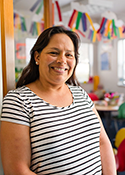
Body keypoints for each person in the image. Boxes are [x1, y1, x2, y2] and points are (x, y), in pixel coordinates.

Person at [0, 26, 116, 175]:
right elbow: (16, 170)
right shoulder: (18, 101)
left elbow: (103, 142)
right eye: (54, 53)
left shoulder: (80, 93)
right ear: (37, 57)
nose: (62, 60)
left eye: (69, 55)